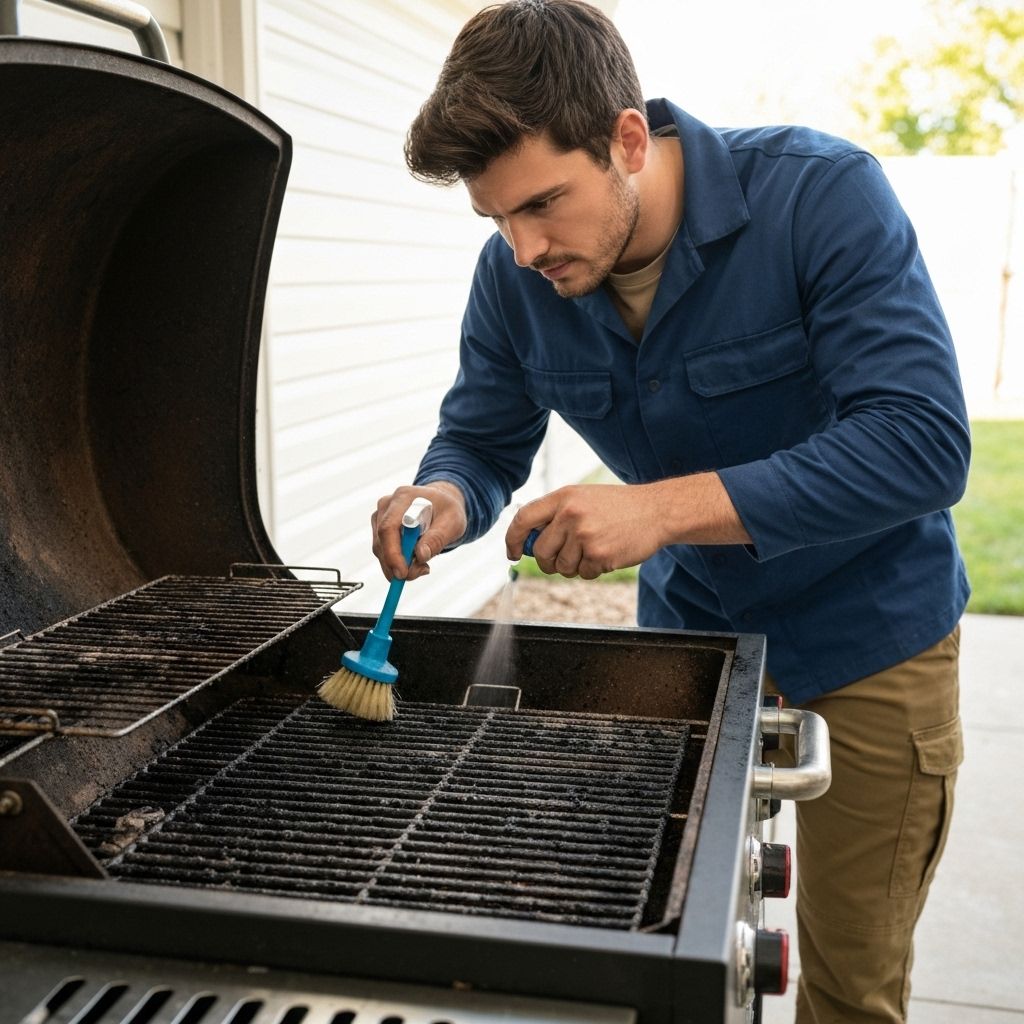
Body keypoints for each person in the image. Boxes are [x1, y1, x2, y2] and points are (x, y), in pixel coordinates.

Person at [370, 2, 968, 1021]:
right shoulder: (512, 279)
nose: (522, 249)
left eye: (544, 205)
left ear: (627, 139)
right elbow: (481, 441)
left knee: (848, 990)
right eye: (497, 220)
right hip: (690, 641)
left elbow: (922, 441)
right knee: (669, 962)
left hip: (872, 634)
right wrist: (441, 496)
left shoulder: (821, 196)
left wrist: (658, 510)